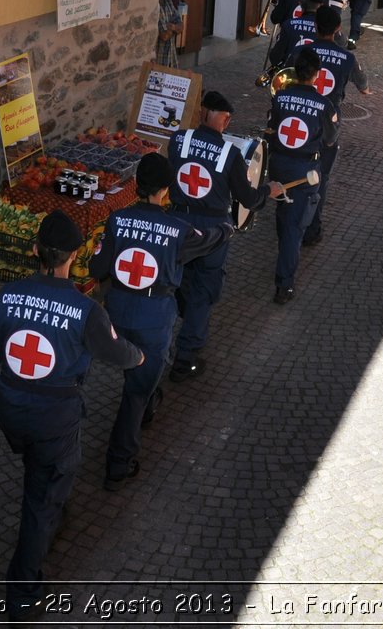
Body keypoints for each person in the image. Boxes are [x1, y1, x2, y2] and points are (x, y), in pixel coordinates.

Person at [0, 211, 144, 622]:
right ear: (76, 256)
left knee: (39, 471)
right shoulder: (85, 309)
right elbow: (117, 352)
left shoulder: (6, 296)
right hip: (55, 417)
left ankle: (53, 510)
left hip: (11, 409)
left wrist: (5, 356)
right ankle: (23, 592)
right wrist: (140, 355)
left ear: (33, 250)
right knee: (40, 498)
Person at [92, 153, 234, 490]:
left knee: (142, 377)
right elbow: (208, 240)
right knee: (135, 392)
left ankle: (150, 402)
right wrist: (226, 230)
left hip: (116, 311)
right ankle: (118, 464)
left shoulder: (117, 220)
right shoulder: (179, 230)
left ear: (137, 185)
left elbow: (98, 271)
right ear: (167, 189)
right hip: (153, 317)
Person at [169, 92, 284, 379]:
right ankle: (185, 357)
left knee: (181, 279)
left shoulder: (177, 140)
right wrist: (268, 191)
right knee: (204, 292)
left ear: (202, 113)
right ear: (225, 118)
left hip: (179, 222)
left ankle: (186, 322)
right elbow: (247, 198)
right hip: (212, 230)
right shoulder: (230, 154)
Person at [265, 48, 338, 304]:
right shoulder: (324, 105)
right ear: (316, 75)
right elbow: (330, 140)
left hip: (279, 166)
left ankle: (285, 248)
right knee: (295, 229)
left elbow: (271, 130)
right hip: (304, 173)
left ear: (295, 72)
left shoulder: (280, 97)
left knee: (284, 215)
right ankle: (284, 285)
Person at [303, 5, 371, 247]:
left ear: (314, 26)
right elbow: (363, 85)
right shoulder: (348, 57)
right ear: (339, 28)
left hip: (301, 115)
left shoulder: (303, 51)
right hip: (328, 121)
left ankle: (291, 216)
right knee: (322, 174)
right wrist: (364, 89)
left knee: (294, 162)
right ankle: (312, 228)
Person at [268, 0, 323, 71]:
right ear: (321, 4)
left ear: (300, 3)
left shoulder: (288, 24)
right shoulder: (325, 27)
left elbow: (275, 58)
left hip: (291, 74)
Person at [156, 0, 183, 68]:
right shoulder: (153, 4)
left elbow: (181, 26)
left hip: (171, 61)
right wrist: (175, 27)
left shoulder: (167, 0)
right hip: (158, 63)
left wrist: (171, 27)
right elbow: (164, 35)